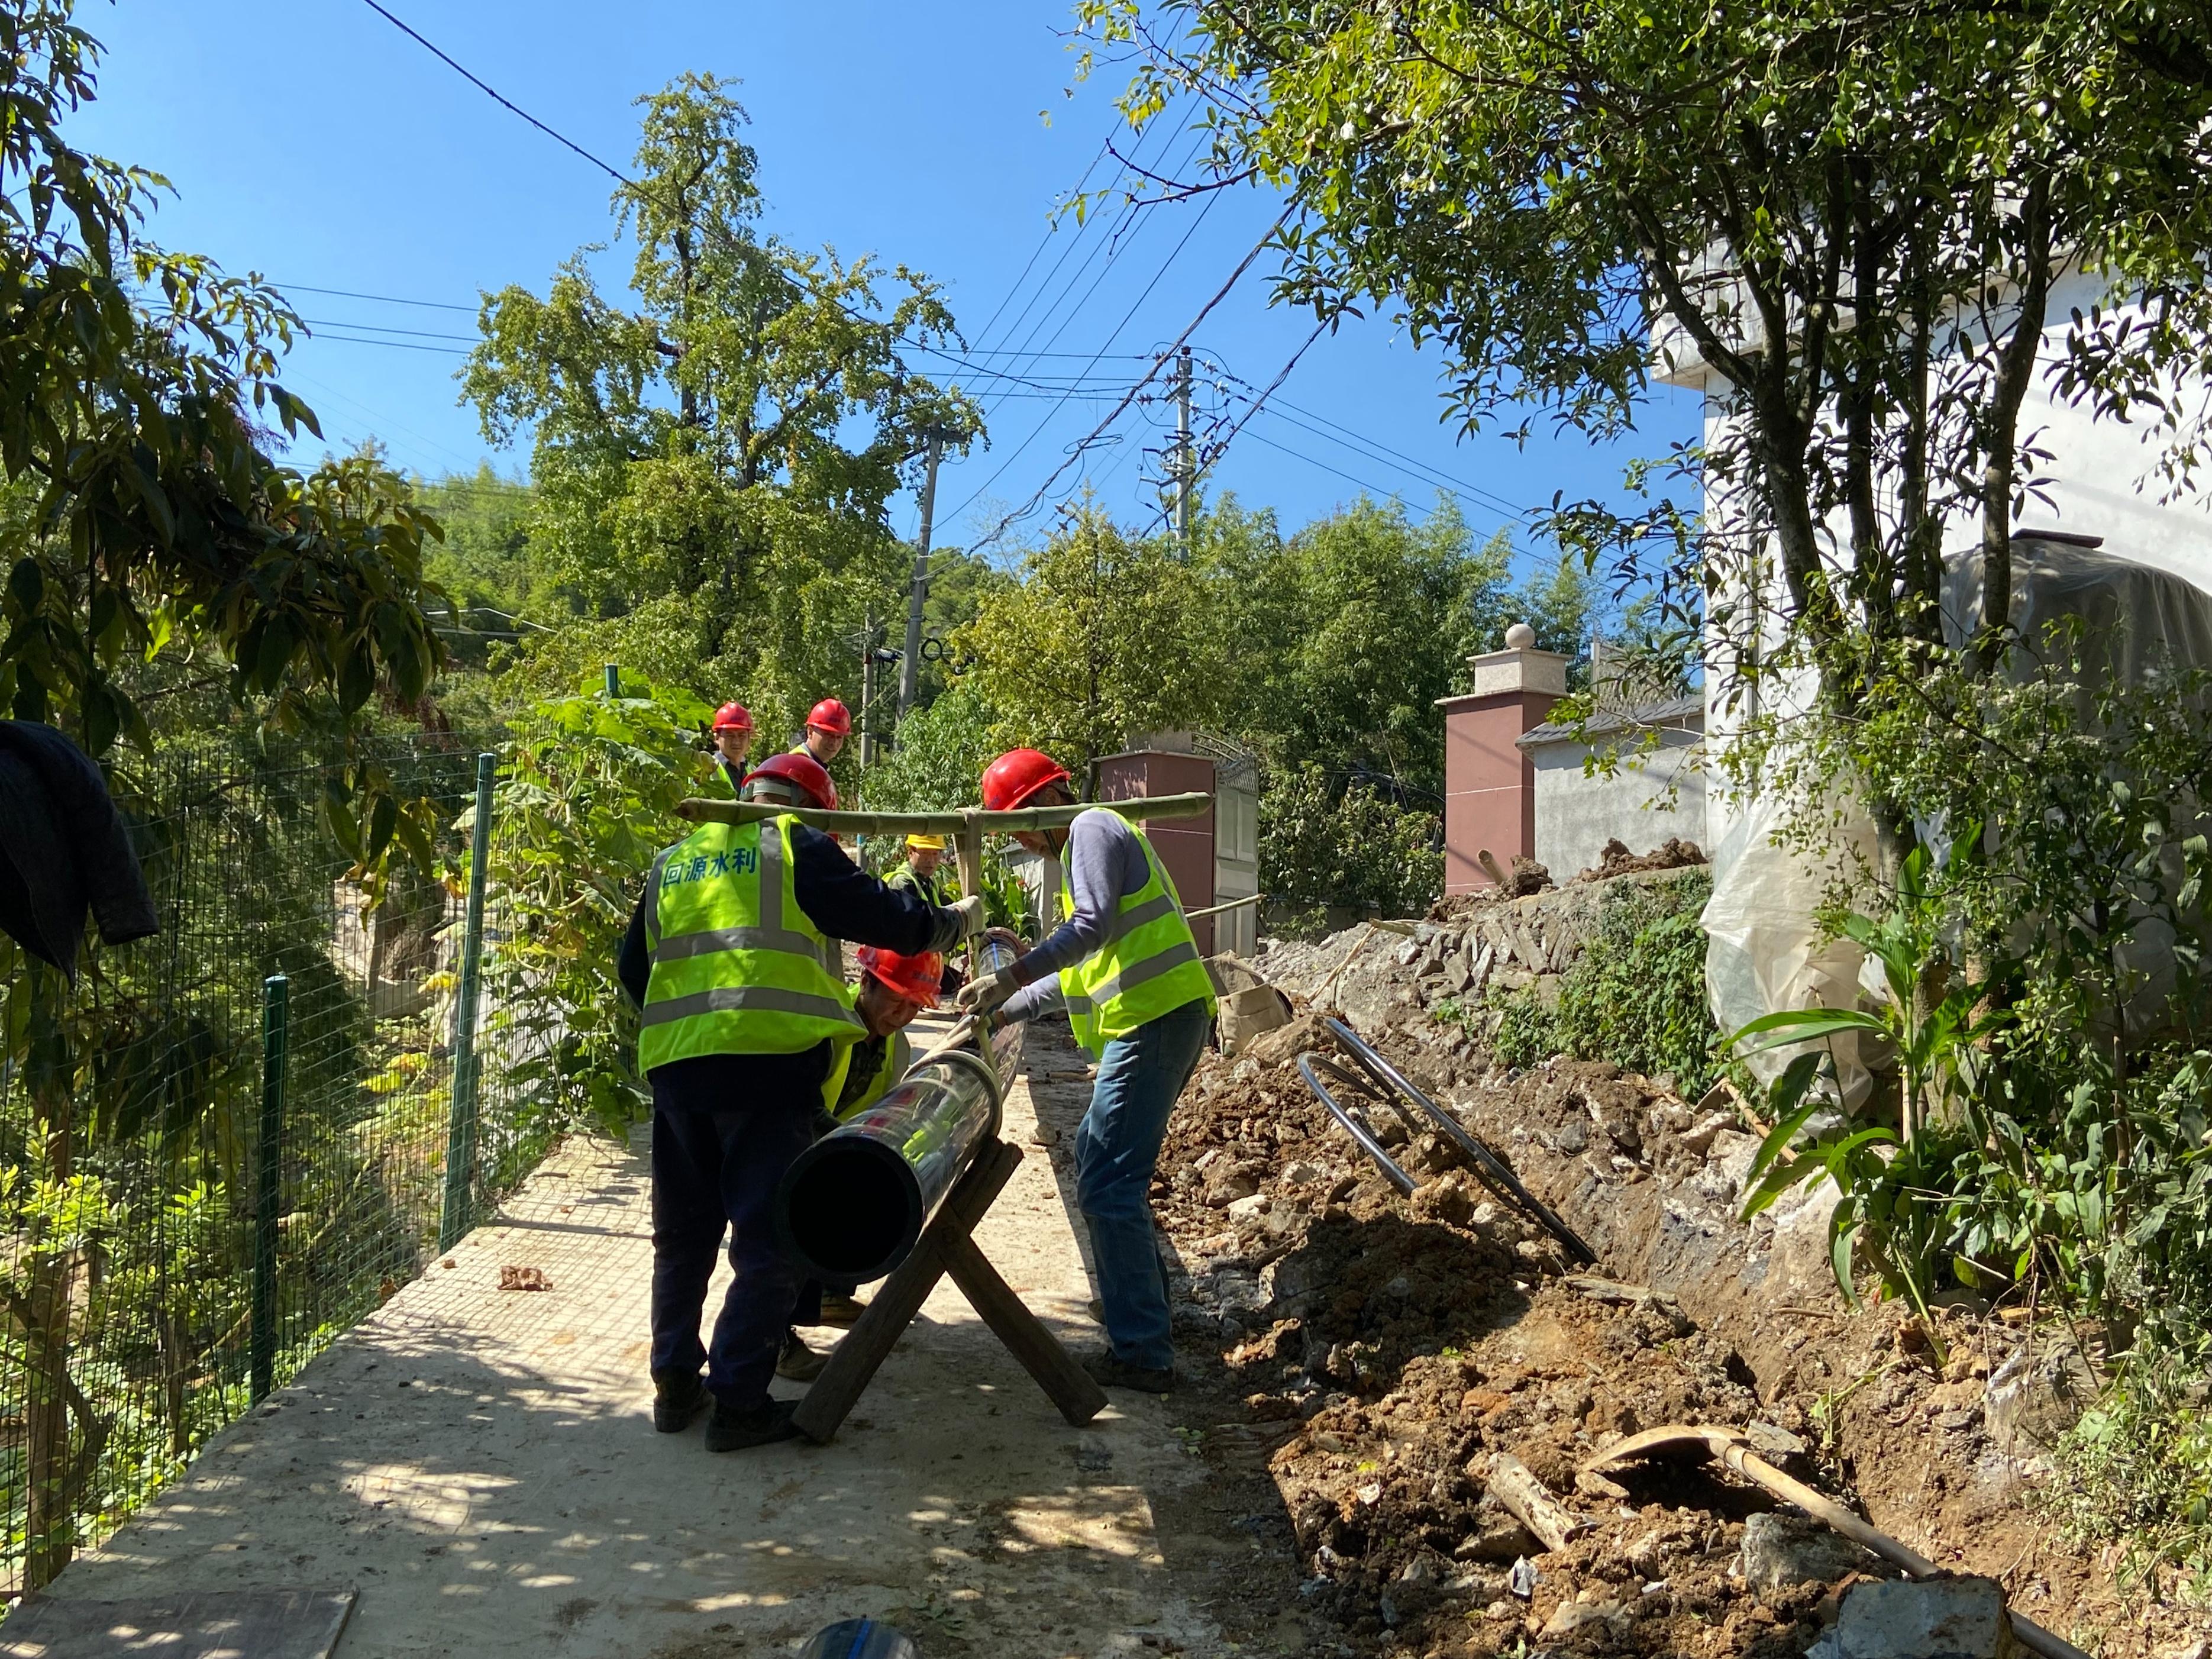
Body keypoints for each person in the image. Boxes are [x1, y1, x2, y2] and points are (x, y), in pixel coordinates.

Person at [618, 748, 984, 1451]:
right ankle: (738, 1400)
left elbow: (634, 968)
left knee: (684, 1235)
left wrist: (690, 1030)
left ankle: (675, 1385)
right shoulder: (793, 845)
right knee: (768, 1239)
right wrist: (952, 922)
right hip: (767, 1067)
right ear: (817, 811)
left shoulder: (676, 859)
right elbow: (890, 919)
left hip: (677, 1069)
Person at [954, 748, 1216, 1394]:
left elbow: (1089, 929)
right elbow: (1071, 972)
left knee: (1106, 1179)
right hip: (1157, 1019)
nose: (1018, 841)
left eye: (1016, 826)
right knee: (1104, 1163)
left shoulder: (1093, 827)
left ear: (1042, 802)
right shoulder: (1080, 855)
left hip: (1154, 1019)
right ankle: (1144, 1316)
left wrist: (1006, 974)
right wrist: (997, 1007)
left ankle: (1143, 1350)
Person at [801, 944, 944, 1332]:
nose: (902, 1016)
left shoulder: (897, 1047)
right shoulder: (823, 1027)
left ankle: (831, 1292)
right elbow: (799, 1110)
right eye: (896, 1001)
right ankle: (778, 1333)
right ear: (865, 981)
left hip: (835, 1154)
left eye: (914, 1007)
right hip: (793, 1144)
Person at [710, 702, 753, 796]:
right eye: (730, 736)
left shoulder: (754, 772)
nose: (736, 742)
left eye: (742, 736)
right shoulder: (707, 769)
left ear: (749, 740)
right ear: (717, 738)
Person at [793, 698, 850, 768]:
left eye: (839, 737)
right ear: (810, 732)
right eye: (828, 734)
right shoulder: (799, 764)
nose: (834, 743)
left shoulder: (812, 764)